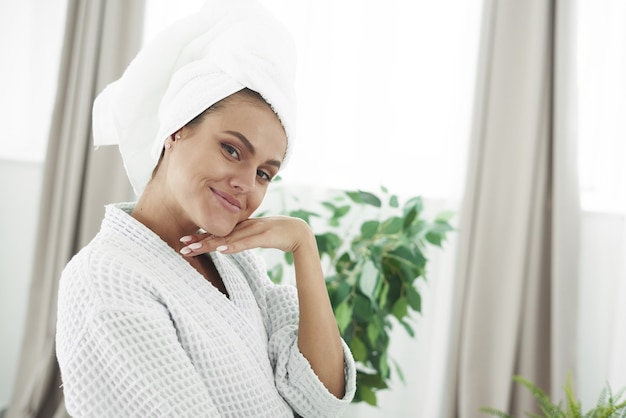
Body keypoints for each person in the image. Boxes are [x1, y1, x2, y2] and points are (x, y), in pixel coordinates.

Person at [54, 0, 356, 417]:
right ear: (177, 130)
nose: (247, 185)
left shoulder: (235, 266)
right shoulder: (107, 278)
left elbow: (320, 399)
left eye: (266, 173)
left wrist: (304, 246)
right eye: (232, 150)